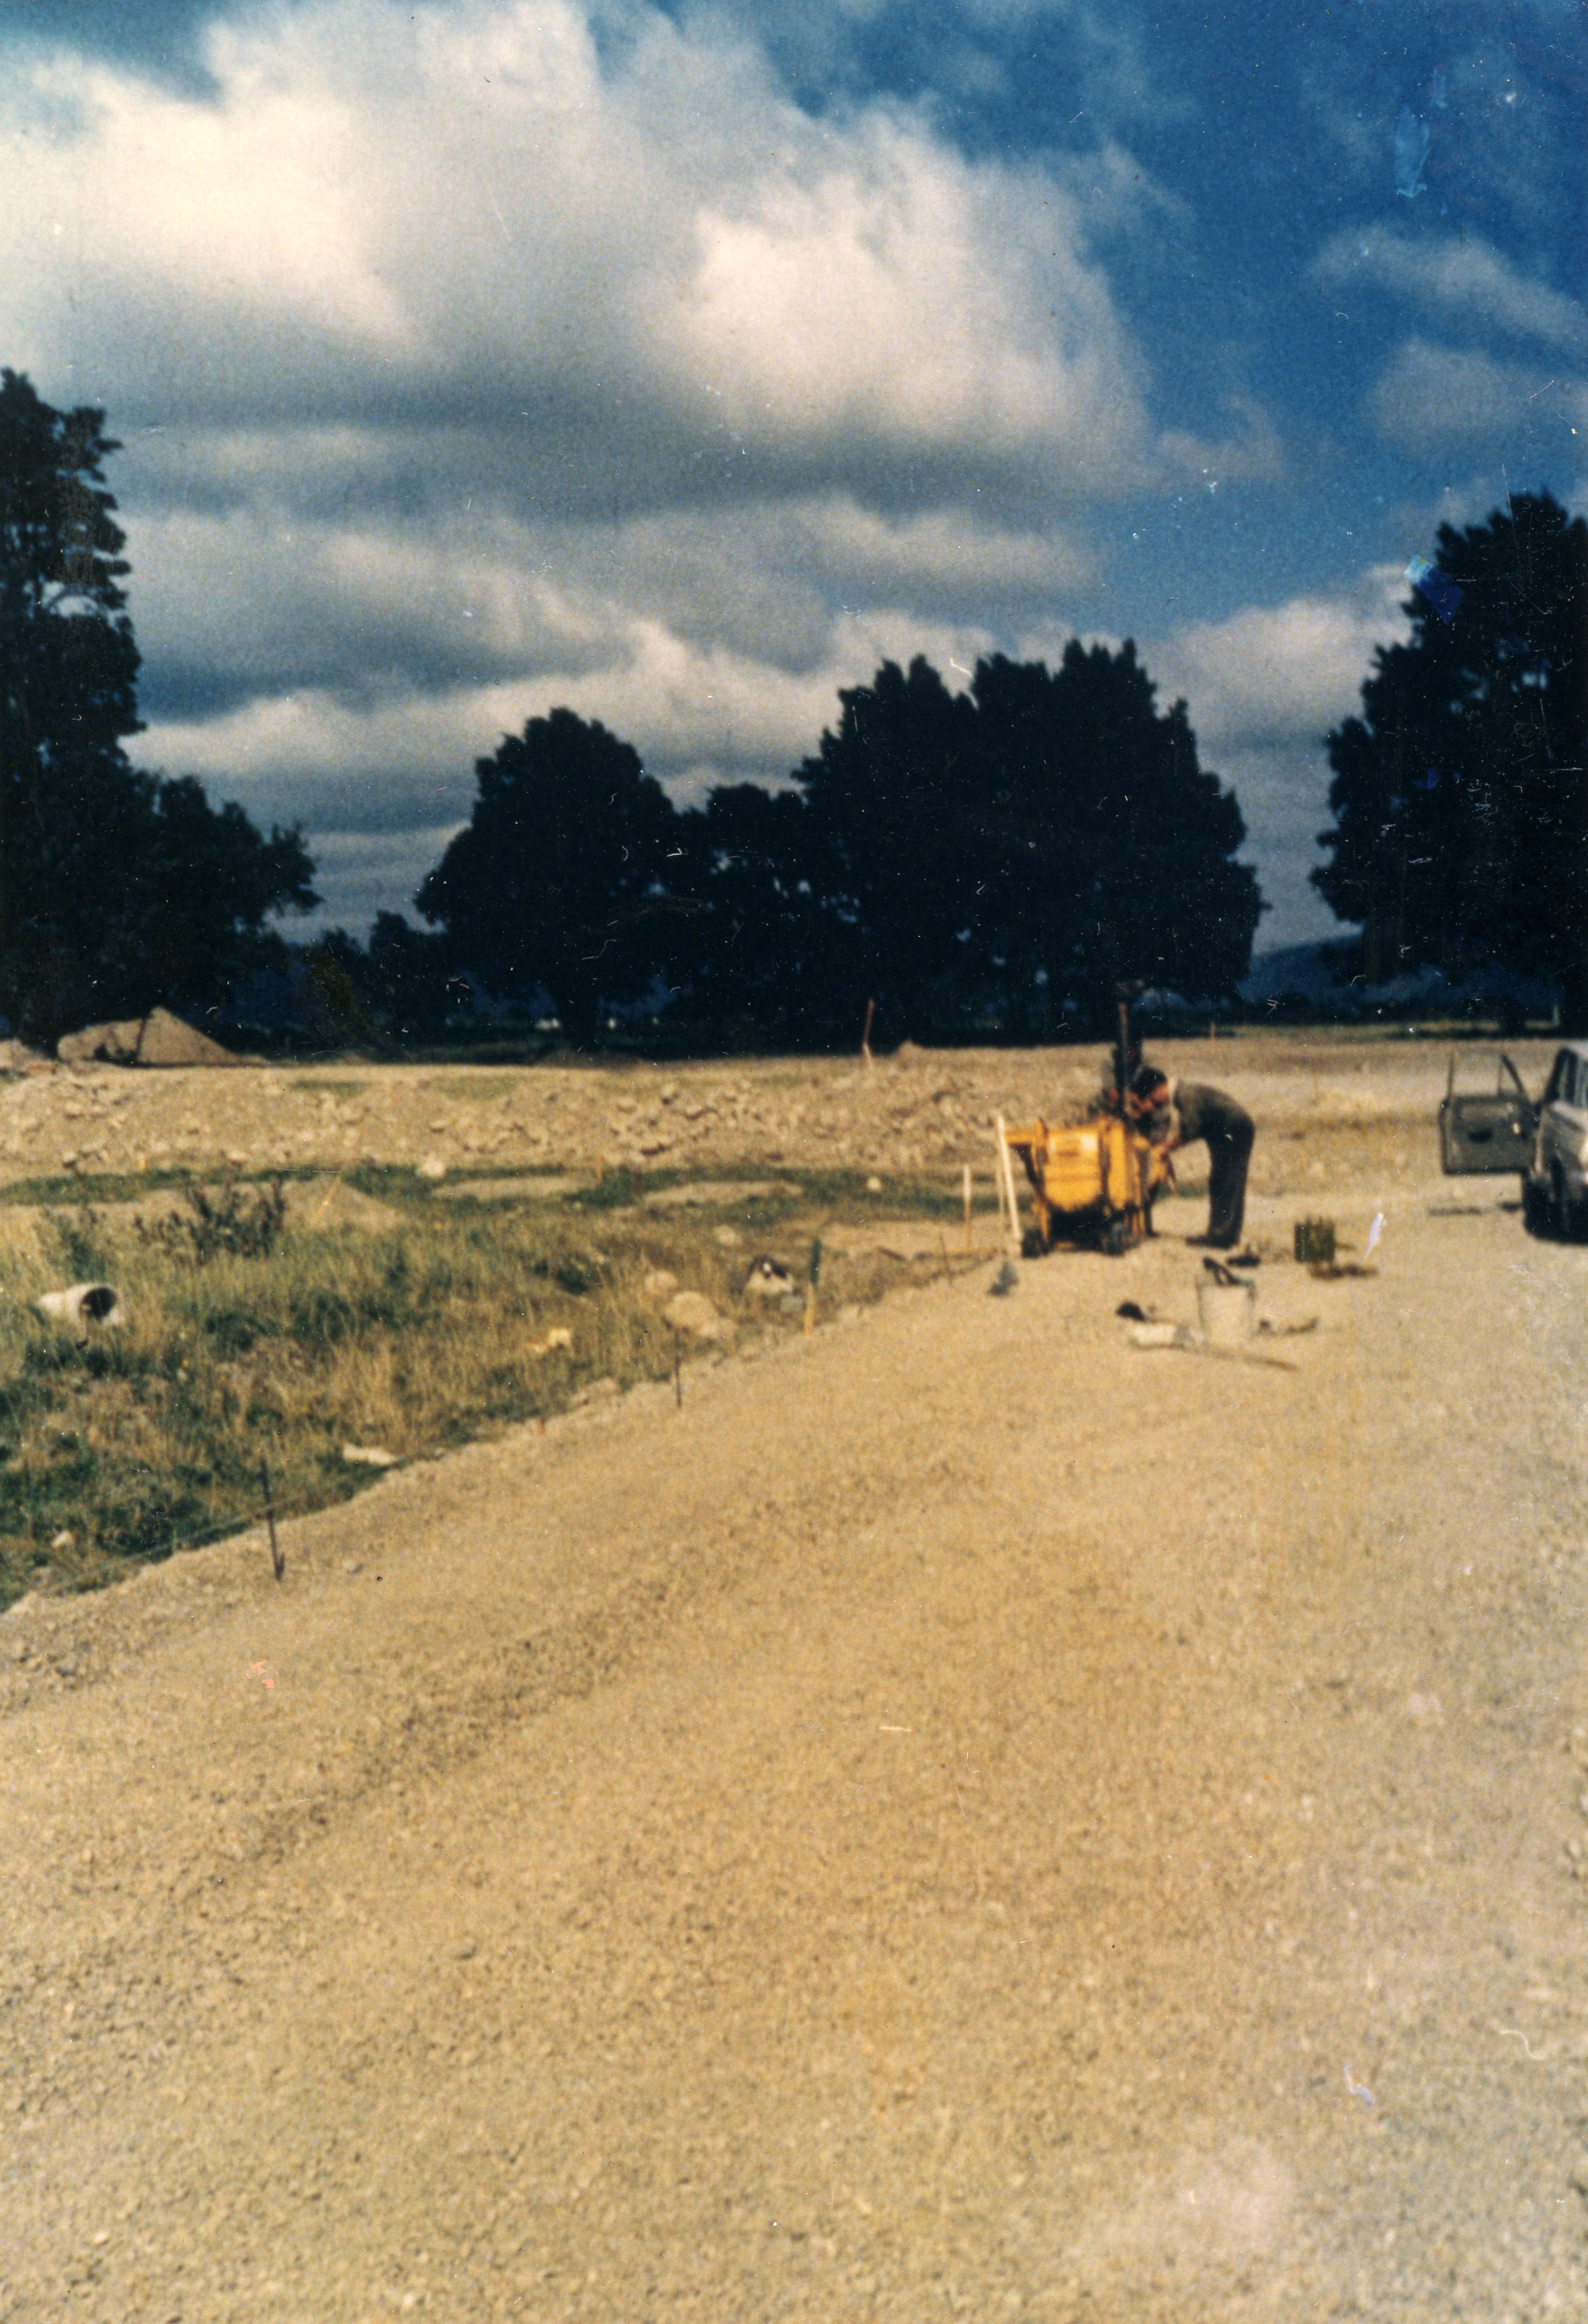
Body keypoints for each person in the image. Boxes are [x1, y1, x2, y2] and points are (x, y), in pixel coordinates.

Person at [1129, 1065, 1255, 1251]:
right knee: (1221, 1182)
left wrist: (1167, 1148)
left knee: (1229, 1181)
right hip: (1227, 1132)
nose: (1155, 1105)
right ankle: (1221, 1234)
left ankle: (1222, 1237)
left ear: (1159, 1089)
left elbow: (1190, 1128)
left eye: (1153, 1099)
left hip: (1233, 1130)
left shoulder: (1185, 1095)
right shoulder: (1185, 1094)